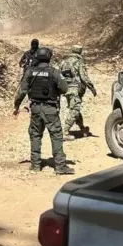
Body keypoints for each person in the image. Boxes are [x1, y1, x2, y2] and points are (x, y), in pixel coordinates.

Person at [13, 47, 75, 175]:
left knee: (35, 135)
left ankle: (35, 165)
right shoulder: (54, 72)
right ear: (49, 57)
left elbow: (22, 91)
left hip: (35, 108)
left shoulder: (30, 72)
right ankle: (60, 166)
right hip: (50, 109)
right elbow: (64, 89)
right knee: (56, 135)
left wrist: (16, 106)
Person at [60, 45, 97, 140]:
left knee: (75, 108)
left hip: (66, 89)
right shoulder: (79, 62)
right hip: (75, 89)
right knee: (75, 109)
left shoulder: (64, 62)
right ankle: (65, 131)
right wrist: (91, 87)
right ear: (80, 52)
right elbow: (84, 77)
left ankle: (82, 128)